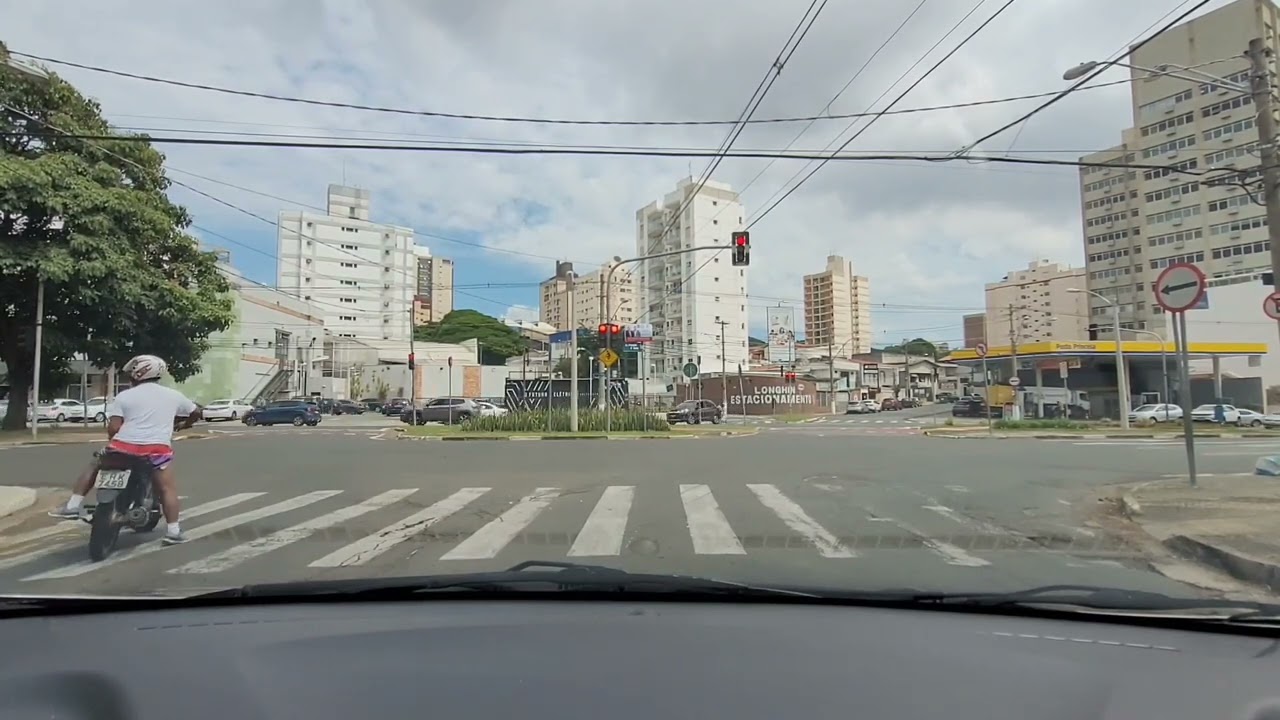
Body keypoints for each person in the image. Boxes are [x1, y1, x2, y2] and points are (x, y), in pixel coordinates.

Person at [48, 354, 201, 545]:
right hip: (156, 451)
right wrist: (185, 424)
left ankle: (72, 506)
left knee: (96, 463)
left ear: (139, 373)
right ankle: (173, 532)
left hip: (121, 447)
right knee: (166, 489)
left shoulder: (124, 396)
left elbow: (113, 429)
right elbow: (196, 412)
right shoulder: (174, 395)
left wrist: (120, 443)